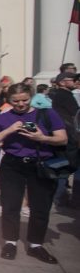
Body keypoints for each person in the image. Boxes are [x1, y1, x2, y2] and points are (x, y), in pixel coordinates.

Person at [0, 83, 67, 263]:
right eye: (16, 101)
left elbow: (62, 139)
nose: (20, 104)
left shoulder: (47, 113)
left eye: (24, 100)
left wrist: (42, 137)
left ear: (31, 97)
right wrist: (9, 130)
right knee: (10, 205)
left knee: (40, 207)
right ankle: (10, 242)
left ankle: (36, 245)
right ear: (9, 100)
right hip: (12, 165)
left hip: (41, 164)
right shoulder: (1, 118)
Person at [49, 72, 79, 208]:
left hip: (64, 135)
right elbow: (76, 114)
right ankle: (59, 197)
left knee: (61, 165)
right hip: (68, 136)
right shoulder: (65, 96)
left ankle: (57, 195)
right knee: (65, 167)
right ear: (62, 82)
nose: (75, 82)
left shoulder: (58, 94)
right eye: (73, 79)